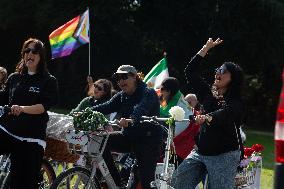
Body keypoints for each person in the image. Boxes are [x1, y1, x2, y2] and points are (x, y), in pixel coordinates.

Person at [171, 38, 245, 189]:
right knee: (178, 182)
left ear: (232, 78)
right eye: (217, 69)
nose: (218, 72)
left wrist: (207, 117)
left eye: (223, 71)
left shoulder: (236, 101)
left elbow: (226, 113)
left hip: (224, 155)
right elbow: (190, 72)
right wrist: (205, 48)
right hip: (201, 152)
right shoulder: (208, 93)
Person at [90, 65, 164, 189]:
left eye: (124, 77)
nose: (120, 81)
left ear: (135, 77)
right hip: (129, 137)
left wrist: (131, 119)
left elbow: (141, 108)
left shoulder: (148, 92)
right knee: (101, 141)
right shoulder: (122, 95)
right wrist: (85, 112)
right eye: (117, 78)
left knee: (147, 182)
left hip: (148, 141)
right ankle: (117, 184)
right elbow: (105, 107)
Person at [0, 38, 58, 188]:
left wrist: (22, 108)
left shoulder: (48, 80)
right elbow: (3, 98)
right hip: (9, 131)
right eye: (27, 51)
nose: (29, 54)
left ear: (41, 56)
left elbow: (43, 106)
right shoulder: (14, 78)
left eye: (34, 51)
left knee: (22, 183)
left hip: (32, 138)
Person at [158, 77, 194, 164]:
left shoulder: (182, 106)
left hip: (179, 145)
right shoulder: (166, 98)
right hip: (167, 138)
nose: (160, 91)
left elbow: (175, 132)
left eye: (162, 89)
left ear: (169, 91)